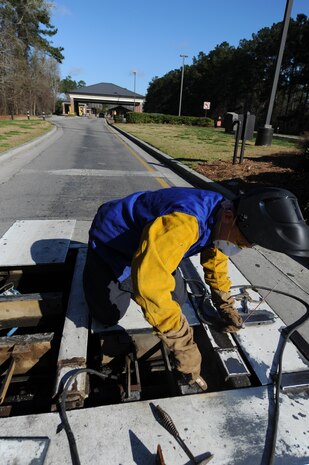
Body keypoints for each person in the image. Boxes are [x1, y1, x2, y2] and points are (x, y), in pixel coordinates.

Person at [83, 187, 309, 390]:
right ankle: (98, 267)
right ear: (230, 217)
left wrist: (225, 304)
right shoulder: (182, 224)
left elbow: (216, 261)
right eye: (241, 242)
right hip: (114, 242)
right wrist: (183, 346)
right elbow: (149, 285)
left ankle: (144, 271)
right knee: (108, 315)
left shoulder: (223, 215)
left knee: (177, 300)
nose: (241, 248)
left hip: (154, 246)